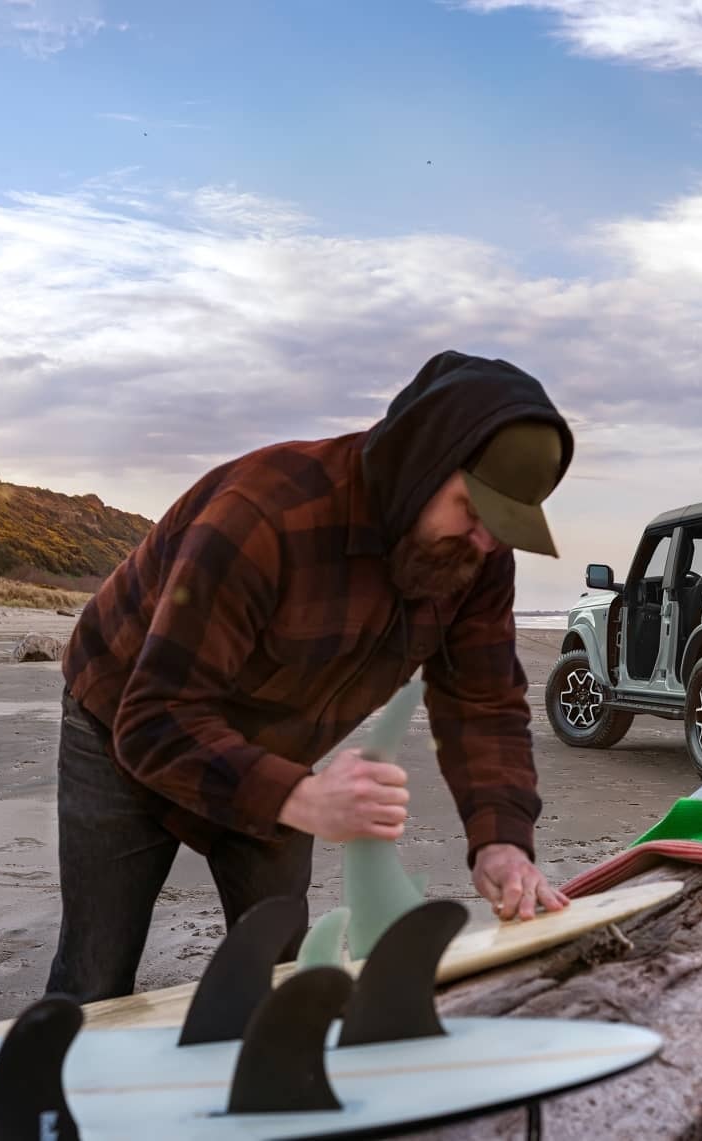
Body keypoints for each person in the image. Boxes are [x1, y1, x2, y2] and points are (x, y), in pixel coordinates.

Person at [45, 349, 575, 1003]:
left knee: (280, 966)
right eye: (472, 510)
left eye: (504, 527)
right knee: (96, 971)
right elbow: (154, 720)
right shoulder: (264, 513)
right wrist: (303, 798)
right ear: (420, 462)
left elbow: (484, 701)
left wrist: (501, 840)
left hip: (272, 747)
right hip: (123, 719)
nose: (484, 543)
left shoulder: (476, 555)